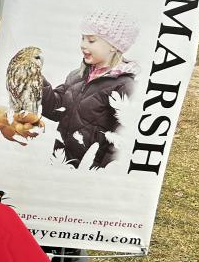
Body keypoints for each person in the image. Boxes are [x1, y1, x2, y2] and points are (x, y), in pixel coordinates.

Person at [41, 11, 140, 168]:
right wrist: (37, 82)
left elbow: (120, 139)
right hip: (60, 162)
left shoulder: (125, 86)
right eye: (82, 38)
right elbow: (55, 109)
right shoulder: (76, 76)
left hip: (88, 172)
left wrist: (100, 173)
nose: (83, 45)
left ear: (113, 46)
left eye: (91, 40)